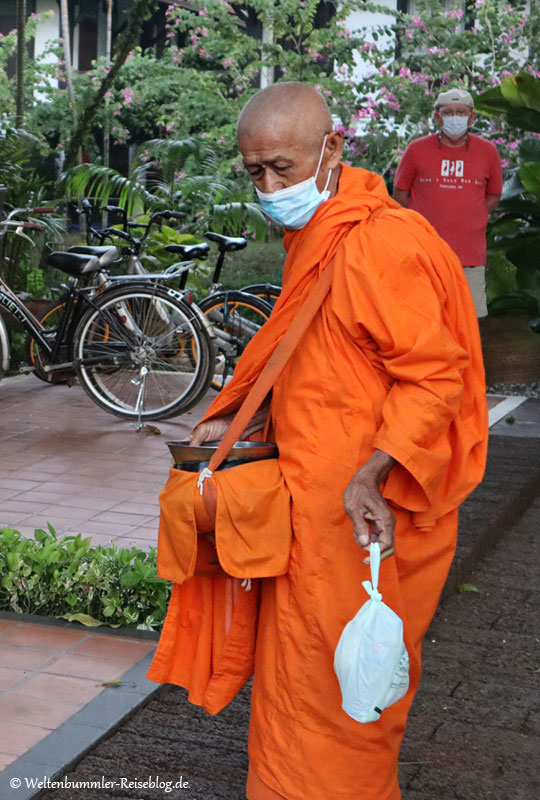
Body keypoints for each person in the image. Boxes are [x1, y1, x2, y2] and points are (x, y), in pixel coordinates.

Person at [147, 82, 488, 800]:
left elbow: (434, 380)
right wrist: (241, 418)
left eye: (282, 167)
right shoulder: (324, 233)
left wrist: (373, 473)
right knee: (299, 689)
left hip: (360, 519)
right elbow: (325, 364)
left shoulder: (380, 244)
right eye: (255, 174)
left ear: (332, 148)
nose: (270, 188)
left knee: (336, 702)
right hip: (307, 511)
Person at [393, 87, 503, 319]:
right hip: (424, 256)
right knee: (423, 318)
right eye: (448, 112)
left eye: (461, 112)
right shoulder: (416, 150)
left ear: (472, 116)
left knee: (469, 321)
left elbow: (493, 196)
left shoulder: (488, 152)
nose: (455, 117)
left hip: (470, 257)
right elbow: (400, 194)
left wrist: (471, 217)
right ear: (437, 116)